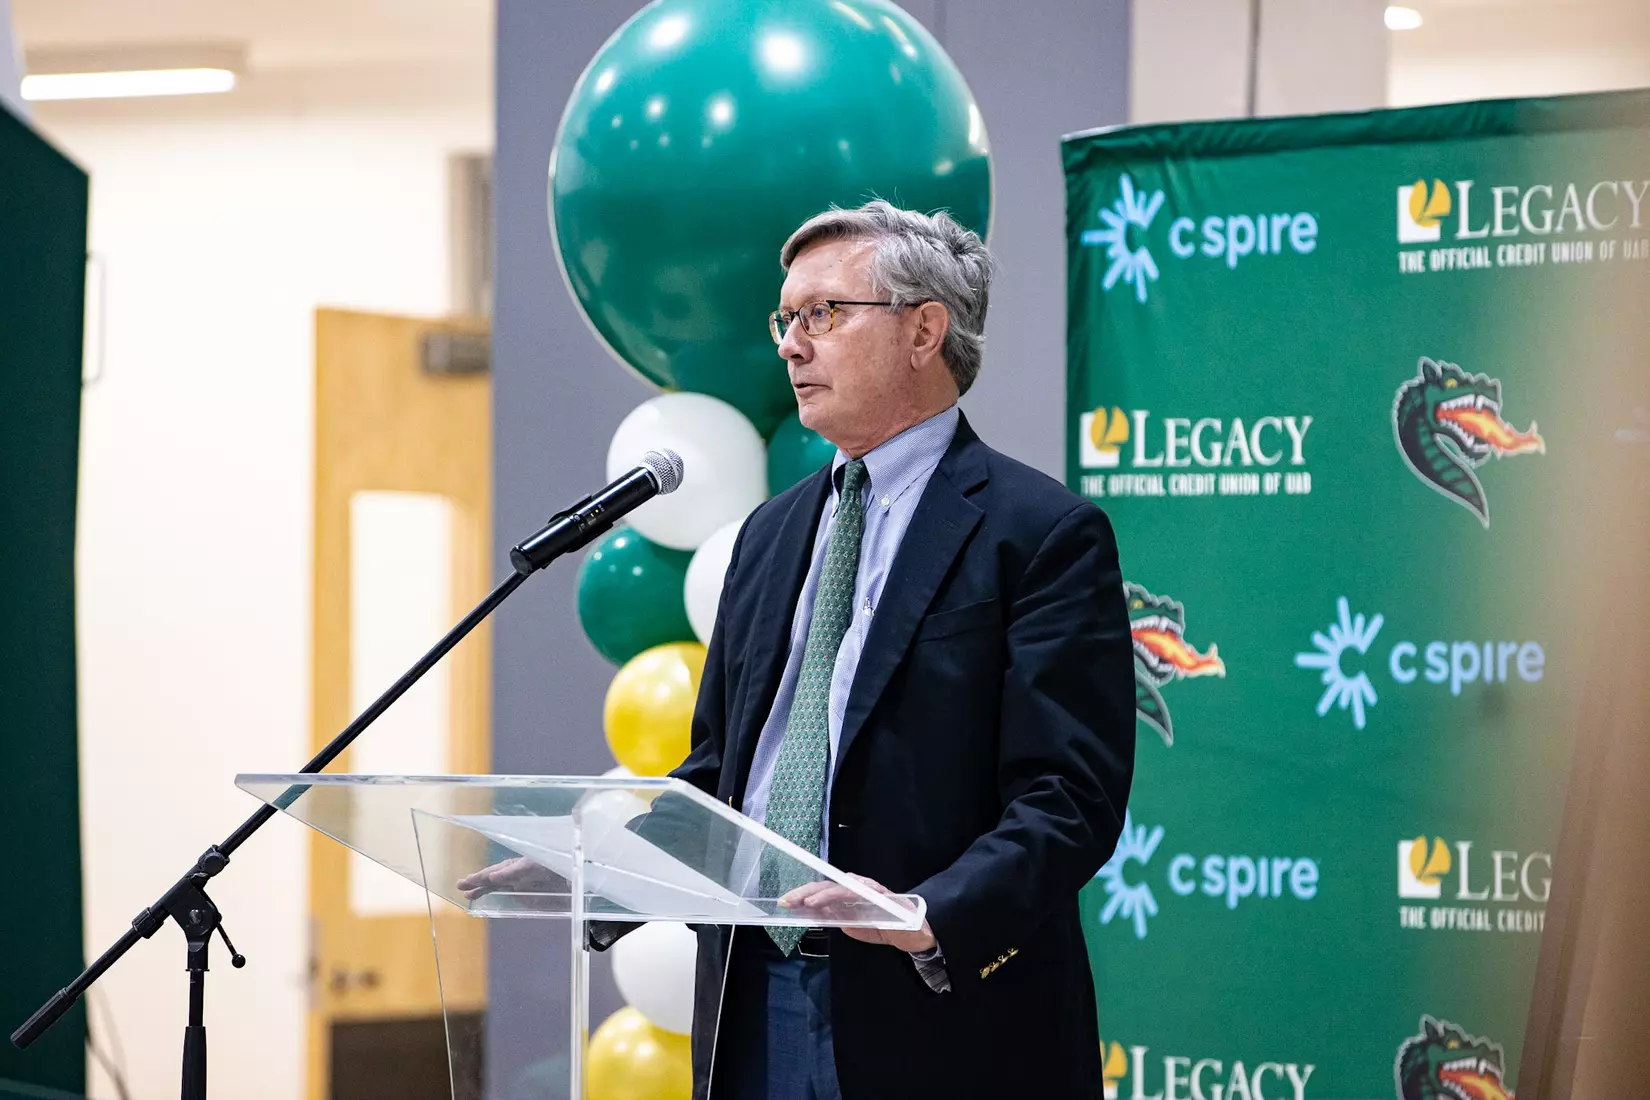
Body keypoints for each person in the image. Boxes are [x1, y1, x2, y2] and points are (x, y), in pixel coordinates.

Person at [652, 200, 1133, 1099]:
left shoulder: (1040, 533)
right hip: (754, 996)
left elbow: (1072, 795)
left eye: (823, 314)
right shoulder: (767, 535)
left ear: (923, 331)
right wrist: (596, 859)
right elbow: (720, 766)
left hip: (939, 1012)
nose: (793, 346)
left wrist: (926, 912)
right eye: (785, 320)